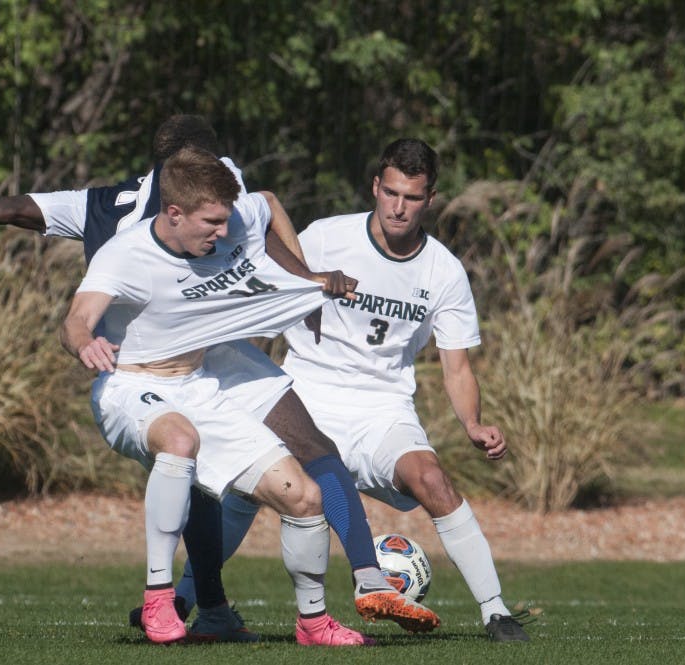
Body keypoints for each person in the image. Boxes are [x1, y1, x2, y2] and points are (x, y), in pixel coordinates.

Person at [0, 115, 440, 637]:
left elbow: (261, 215)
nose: (219, 187)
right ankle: (193, 603)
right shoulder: (119, 216)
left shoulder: (200, 195)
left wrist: (302, 282)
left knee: (306, 448)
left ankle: (358, 580)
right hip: (145, 373)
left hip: (218, 354)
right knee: (197, 471)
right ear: (176, 179)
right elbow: (16, 217)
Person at [178, 139, 532, 642]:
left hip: (382, 408)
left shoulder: (444, 271)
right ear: (375, 187)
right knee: (243, 491)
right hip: (303, 392)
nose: (397, 206)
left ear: (430, 198)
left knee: (432, 478)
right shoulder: (326, 237)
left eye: (411, 197)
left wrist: (472, 423)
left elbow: (457, 368)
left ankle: (496, 612)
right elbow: (267, 276)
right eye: (389, 193)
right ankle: (182, 598)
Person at [60, 145, 379, 646]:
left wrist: (309, 278)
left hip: (199, 387)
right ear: (174, 212)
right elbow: (76, 320)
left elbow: (267, 203)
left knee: (304, 496)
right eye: (210, 222)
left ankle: (314, 623)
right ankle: (159, 601)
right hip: (133, 387)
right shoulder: (125, 256)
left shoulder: (228, 218)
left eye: (226, 220)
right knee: (180, 441)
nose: (223, 232)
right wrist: (86, 342)